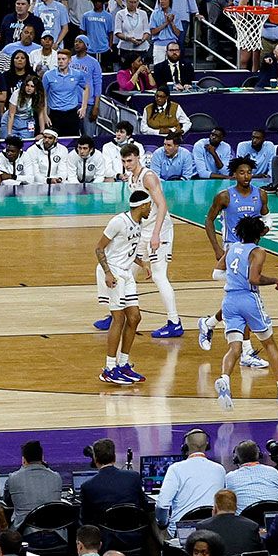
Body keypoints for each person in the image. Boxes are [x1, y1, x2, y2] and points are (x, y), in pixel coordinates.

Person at [210, 214, 278, 406]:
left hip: (229, 301)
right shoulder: (258, 251)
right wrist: (276, 280)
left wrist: (235, 277)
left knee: (234, 348)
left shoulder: (232, 248)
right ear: (259, 233)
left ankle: (224, 379)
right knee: (270, 344)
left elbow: (217, 273)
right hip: (248, 300)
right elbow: (254, 279)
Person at [102, 141, 184, 340]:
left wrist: (156, 234)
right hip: (142, 232)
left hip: (160, 231)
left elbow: (162, 205)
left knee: (158, 276)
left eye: (129, 160)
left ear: (138, 157)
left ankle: (174, 322)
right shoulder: (131, 178)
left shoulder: (148, 177)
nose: (127, 164)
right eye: (123, 161)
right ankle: (116, 312)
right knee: (125, 270)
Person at [99, 187, 155, 387]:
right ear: (143, 205)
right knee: (119, 318)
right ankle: (109, 368)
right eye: (149, 206)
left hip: (126, 272)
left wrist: (143, 264)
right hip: (113, 271)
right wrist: (107, 273)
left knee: (135, 317)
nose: (151, 210)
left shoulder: (138, 223)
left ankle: (123, 364)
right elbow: (99, 248)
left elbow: (128, 251)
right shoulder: (118, 222)